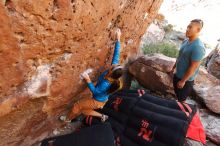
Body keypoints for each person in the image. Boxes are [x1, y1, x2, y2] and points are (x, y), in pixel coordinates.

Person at [60, 29, 123, 122]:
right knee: (85, 111)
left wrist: (88, 80)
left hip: (97, 100)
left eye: (112, 67)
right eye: (114, 65)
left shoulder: (105, 84)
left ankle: (67, 119)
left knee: (78, 105)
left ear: (111, 73)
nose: (112, 65)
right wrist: (118, 39)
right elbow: (116, 55)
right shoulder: (113, 74)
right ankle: (102, 116)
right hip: (101, 100)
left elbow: (95, 92)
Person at [170, 19, 206, 102]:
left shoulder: (198, 47)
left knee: (182, 101)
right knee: (177, 97)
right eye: (187, 27)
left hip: (185, 81)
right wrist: (173, 68)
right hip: (177, 75)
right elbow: (180, 56)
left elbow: (194, 67)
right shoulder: (186, 41)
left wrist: (183, 81)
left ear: (198, 30)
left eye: (190, 27)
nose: (187, 29)